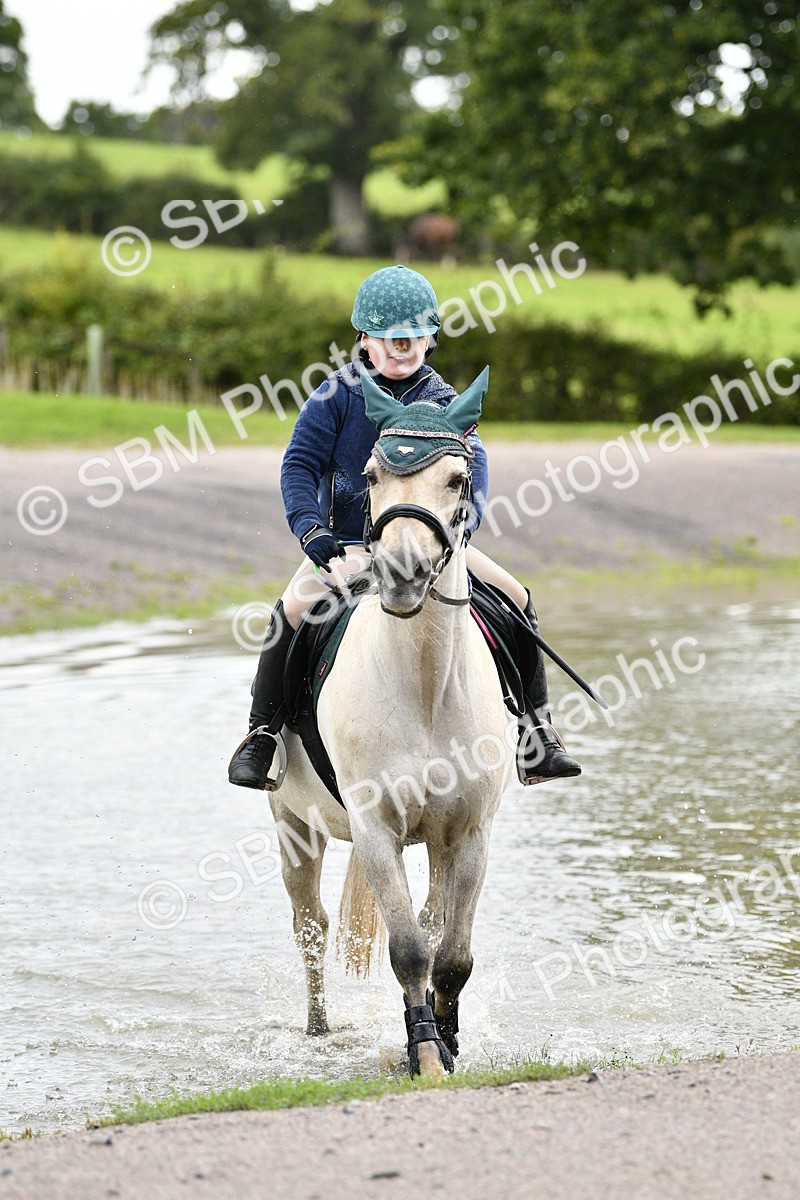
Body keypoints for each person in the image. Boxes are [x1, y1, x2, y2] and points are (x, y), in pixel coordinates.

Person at [228, 265, 580, 790]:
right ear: (364, 339)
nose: (402, 346)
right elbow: (299, 466)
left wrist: (463, 527)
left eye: (413, 337)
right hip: (349, 546)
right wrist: (311, 532)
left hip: (438, 548)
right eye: (390, 338)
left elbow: (474, 467)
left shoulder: (445, 401)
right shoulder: (336, 396)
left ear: (431, 338)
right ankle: (264, 733)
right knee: (292, 611)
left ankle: (537, 733)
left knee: (517, 596)